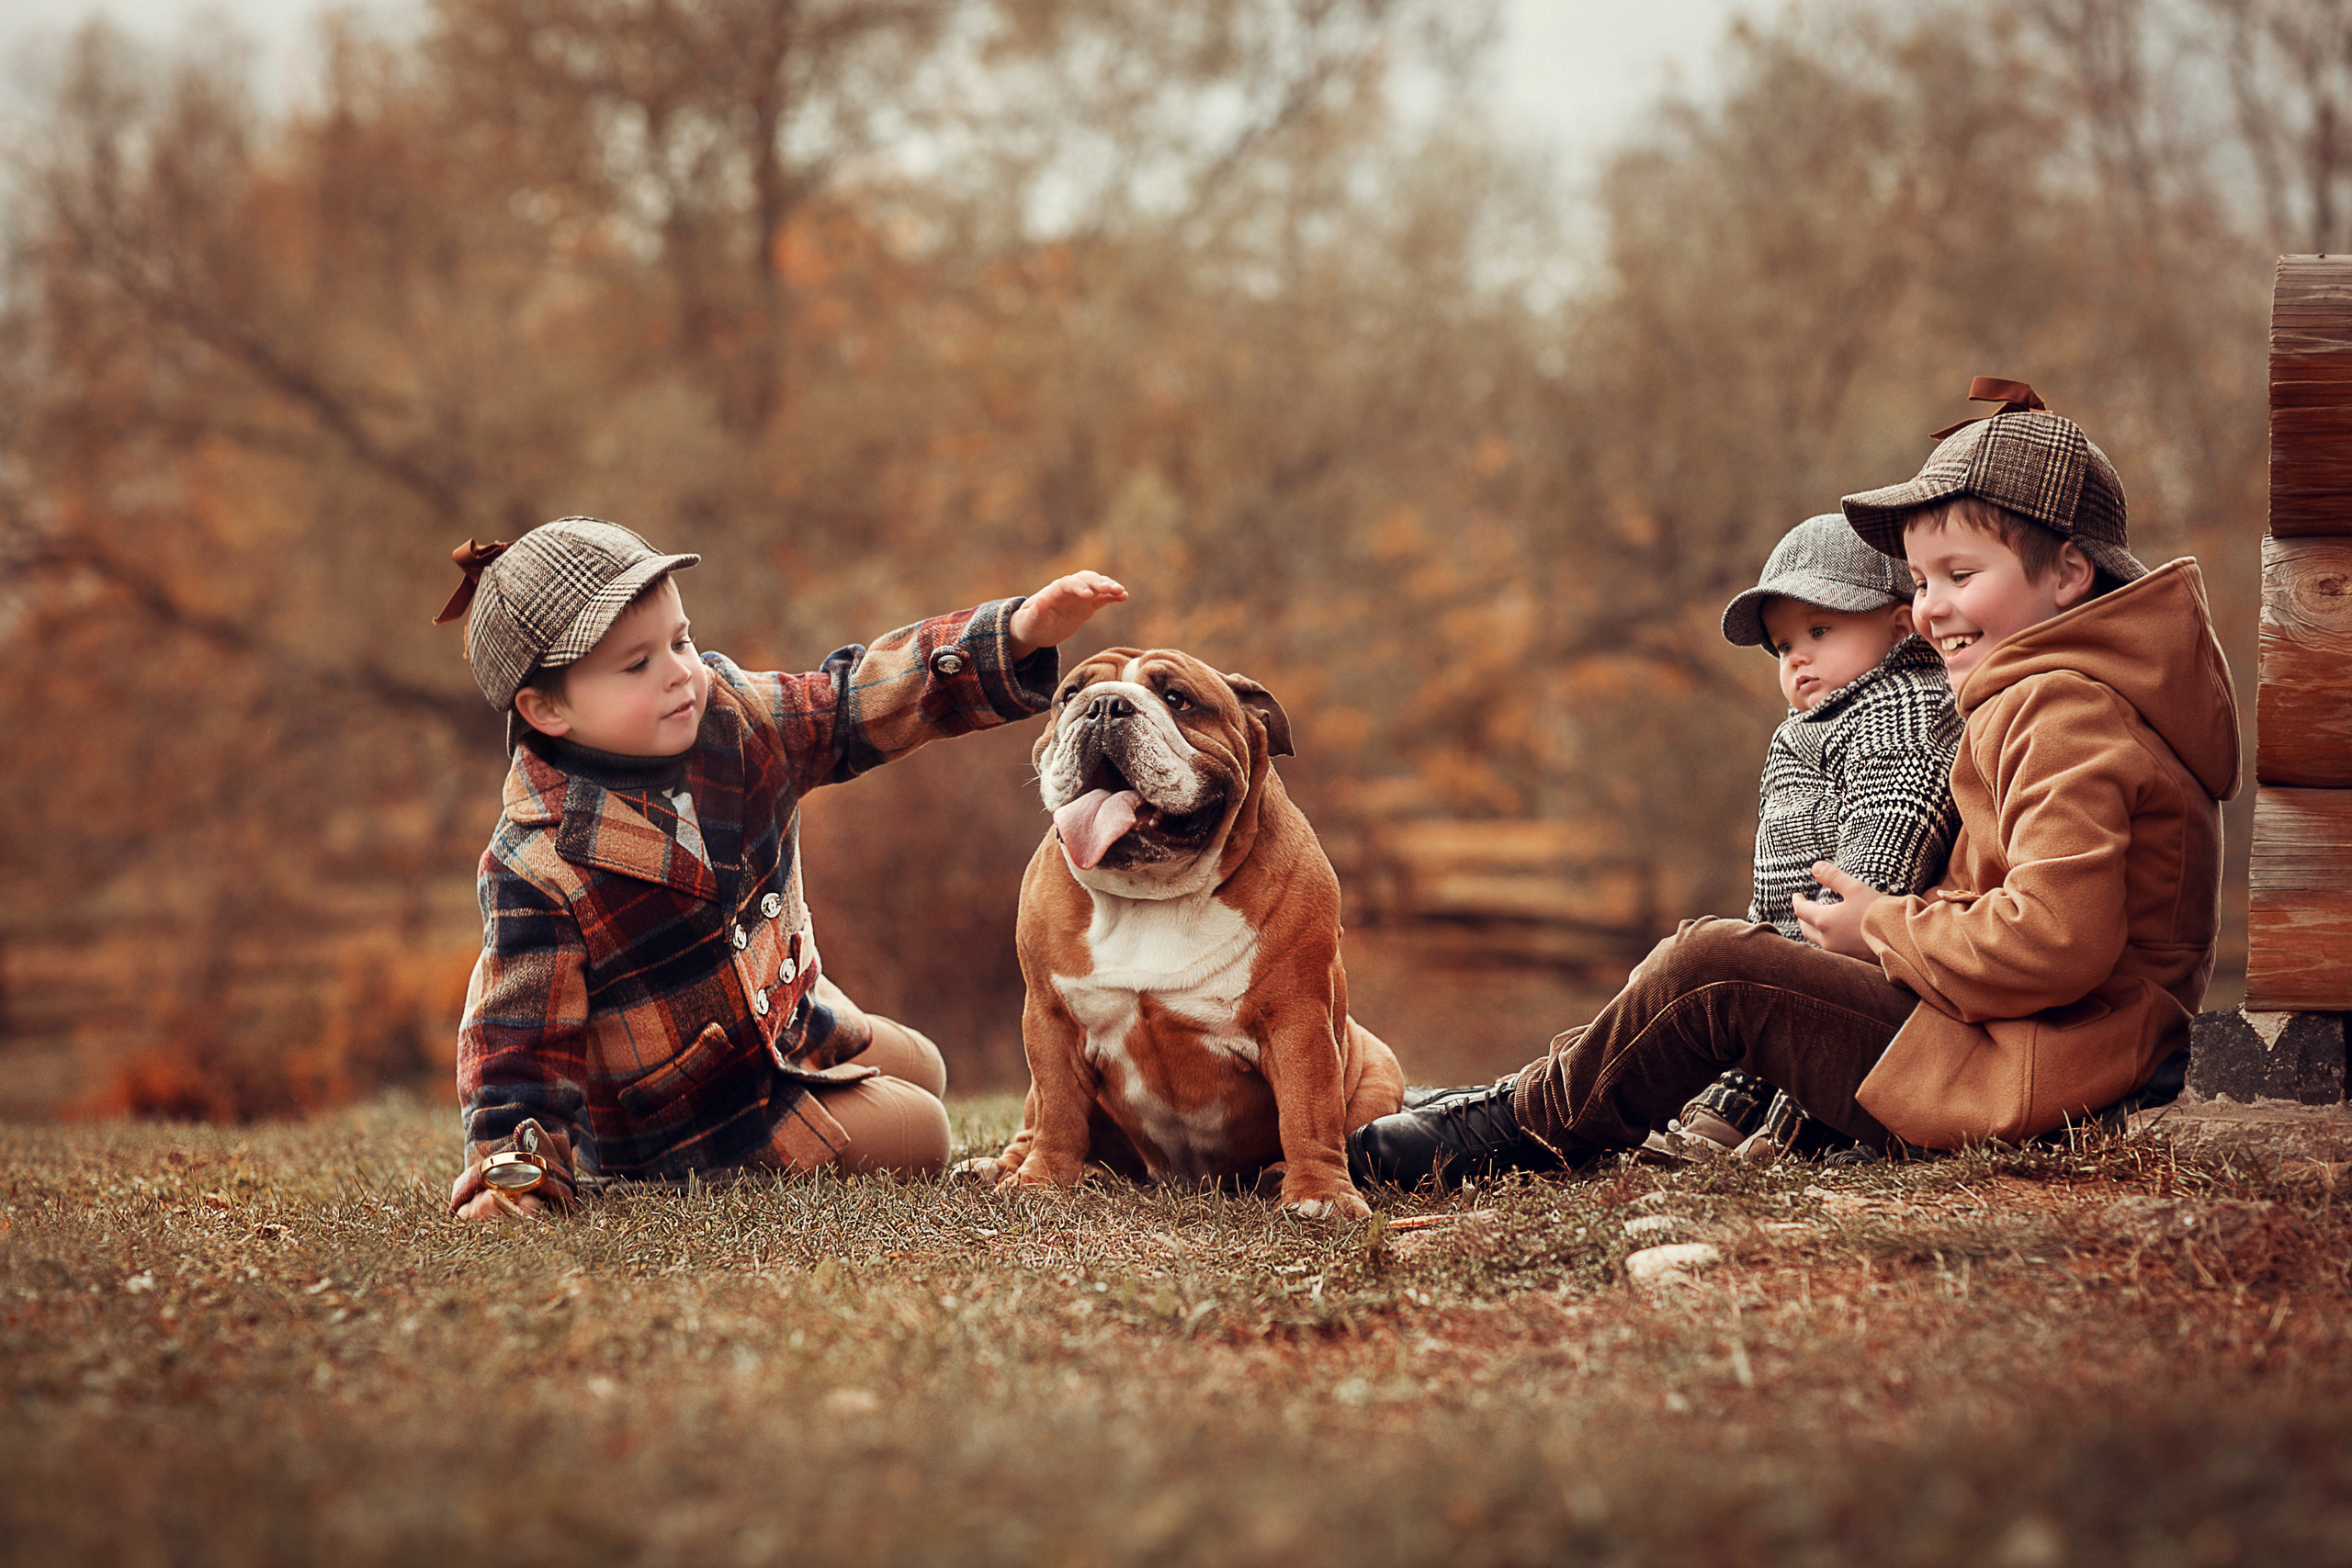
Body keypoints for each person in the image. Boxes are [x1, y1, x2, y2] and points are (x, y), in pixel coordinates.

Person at [1350, 378, 2239, 1187]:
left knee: (1712, 970)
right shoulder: (2056, 695)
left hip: (2034, 1073)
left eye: (1961, 576)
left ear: (2070, 574)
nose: (1930, 609)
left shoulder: (2066, 711)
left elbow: (2054, 940)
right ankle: (1509, 1102)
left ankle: (1515, 1131)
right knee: (1722, 964)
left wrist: (1878, 926)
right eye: (1922, 580)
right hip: (2013, 1045)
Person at [435, 516, 1125, 1219]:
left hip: (783, 1024)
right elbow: (516, 1041)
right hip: (692, 1113)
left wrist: (1012, 635)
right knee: (923, 1132)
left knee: (926, 1066)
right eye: (637, 664)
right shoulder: (539, 857)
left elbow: (855, 701)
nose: (680, 672)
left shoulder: (735, 717)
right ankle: (666, 1170)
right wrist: (510, 1173)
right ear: (545, 707)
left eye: (681, 640)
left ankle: (823, 1071)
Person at [1664, 513, 1960, 1158]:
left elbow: (1888, 848)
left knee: (1777, 1009)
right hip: (1796, 960)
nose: (1797, 656)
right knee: (1732, 984)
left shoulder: (1905, 708)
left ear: (1900, 623)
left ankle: (1796, 1127)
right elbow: (1773, 893)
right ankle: (1730, 1104)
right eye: (1781, 645)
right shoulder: (1808, 729)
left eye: (1820, 630)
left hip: (1868, 966)